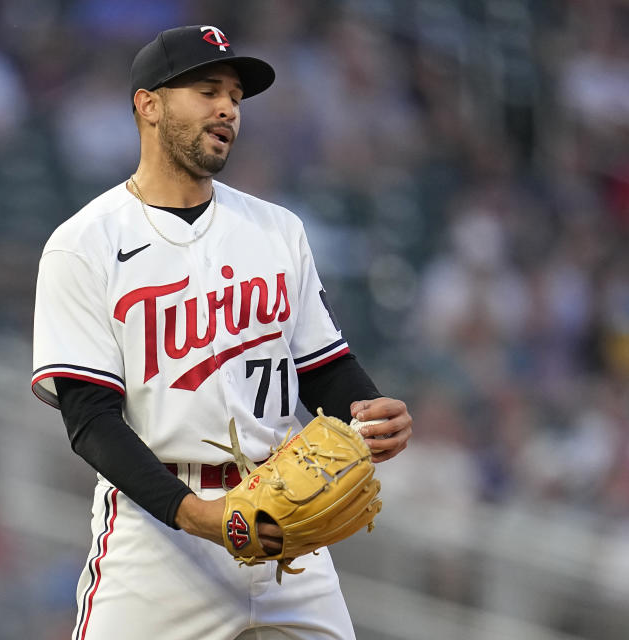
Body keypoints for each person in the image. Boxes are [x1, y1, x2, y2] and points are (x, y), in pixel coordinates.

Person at [31, 25, 412, 640]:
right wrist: (200, 517)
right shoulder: (85, 243)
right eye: (207, 89)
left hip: (286, 511)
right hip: (160, 532)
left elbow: (323, 369)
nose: (228, 108)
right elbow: (90, 419)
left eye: (234, 95)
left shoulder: (277, 229)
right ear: (148, 105)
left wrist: (366, 410)